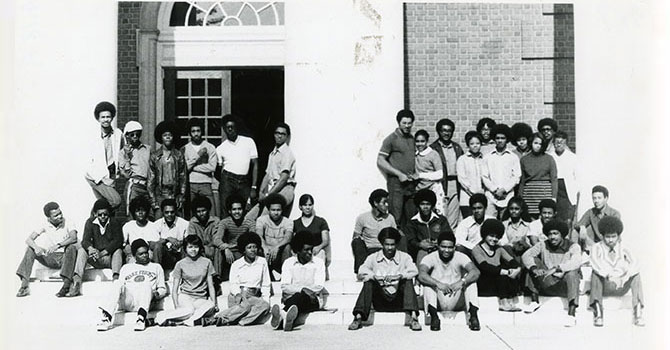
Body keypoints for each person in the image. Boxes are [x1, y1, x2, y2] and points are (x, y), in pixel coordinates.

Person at [348, 227, 421, 331]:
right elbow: (361, 270)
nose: (390, 248)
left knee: (407, 281)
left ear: (396, 244)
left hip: (399, 301)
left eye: (392, 244)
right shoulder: (373, 257)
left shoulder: (405, 257)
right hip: (381, 300)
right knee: (369, 282)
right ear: (382, 244)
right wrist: (374, 276)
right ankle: (358, 318)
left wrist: (400, 276)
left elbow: (414, 270)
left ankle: (414, 318)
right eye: (387, 244)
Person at [96, 239, 168, 332]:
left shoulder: (156, 267)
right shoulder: (126, 268)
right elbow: (120, 288)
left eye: (146, 253)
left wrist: (157, 294)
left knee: (146, 283)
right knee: (117, 282)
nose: (145, 256)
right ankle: (106, 318)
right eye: (141, 254)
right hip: (129, 301)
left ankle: (141, 319)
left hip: (146, 301)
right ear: (134, 256)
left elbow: (162, 288)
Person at [522, 220, 582, 327]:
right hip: (548, 282)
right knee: (532, 263)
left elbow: (576, 261)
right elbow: (526, 255)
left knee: (573, 273)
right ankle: (534, 300)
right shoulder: (543, 244)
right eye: (549, 234)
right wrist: (534, 268)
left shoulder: (573, 246)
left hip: (565, 285)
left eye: (555, 233)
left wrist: (558, 268)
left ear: (562, 234)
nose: (552, 237)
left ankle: (571, 313)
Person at [418, 231, 481, 332]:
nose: (446, 250)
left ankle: (473, 316)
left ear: (454, 247)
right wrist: (438, 283)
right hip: (438, 299)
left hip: (456, 297)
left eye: (450, 247)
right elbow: (421, 275)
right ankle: (434, 318)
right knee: (427, 284)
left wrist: (461, 282)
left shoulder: (460, 256)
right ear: (438, 246)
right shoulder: (430, 257)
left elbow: (475, 272)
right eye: (443, 247)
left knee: (471, 281)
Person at [203, 232, 271, 327]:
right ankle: (218, 318)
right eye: (249, 247)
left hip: (254, 296)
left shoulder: (262, 262)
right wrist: (238, 294)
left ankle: (234, 320)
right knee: (246, 307)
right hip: (239, 295)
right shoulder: (237, 264)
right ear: (244, 250)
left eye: (254, 247)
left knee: (265, 306)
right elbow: (234, 283)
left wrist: (265, 299)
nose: (253, 250)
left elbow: (266, 283)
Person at [589, 217, 644, 327]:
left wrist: (625, 277)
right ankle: (598, 314)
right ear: (602, 236)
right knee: (595, 274)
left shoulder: (624, 247)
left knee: (636, 275)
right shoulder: (597, 247)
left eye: (613, 236)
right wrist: (609, 276)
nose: (610, 240)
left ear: (618, 236)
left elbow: (635, 262)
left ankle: (638, 313)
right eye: (607, 237)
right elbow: (595, 263)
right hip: (604, 285)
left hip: (621, 285)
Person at [15, 202, 78, 298]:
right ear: (49, 218)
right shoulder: (44, 224)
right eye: (56, 215)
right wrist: (37, 248)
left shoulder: (69, 221)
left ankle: (66, 286)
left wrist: (58, 245)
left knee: (71, 247)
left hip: (65, 258)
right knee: (30, 249)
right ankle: (24, 286)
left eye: (60, 213)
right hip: (51, 257)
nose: (60, 216)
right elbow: (28, 239)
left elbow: (74, 238)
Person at [155, 235, 217, 326]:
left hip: (200, 298)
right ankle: (161, 316)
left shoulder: (207, 262)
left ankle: (189, 320)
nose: (193, 250)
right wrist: (176, 305)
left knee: (210, 305)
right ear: (185, 248)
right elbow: (175, 289)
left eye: (196, 247)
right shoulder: (180, 264)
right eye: (190, 247)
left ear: (200, 248)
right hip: (185, 297)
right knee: (189, 310)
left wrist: (214, 303)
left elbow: (211, 286)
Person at [271, 231, 327, 332]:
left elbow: (318, 287)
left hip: (313, 300)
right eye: (306, 250)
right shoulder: (288, 263)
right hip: (292, 299)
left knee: (300, 296)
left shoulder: (319, 263)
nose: (310, 252)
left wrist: (301, 291)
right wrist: (303, 289)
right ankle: (286, 319)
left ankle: (282, 314)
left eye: (311, 249)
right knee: (299, 296)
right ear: (298, 251)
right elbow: (284, 286)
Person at [74, 199, 125, 296]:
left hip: (109, 258)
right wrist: (91, 249)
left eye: (105, 214)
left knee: (118, 251)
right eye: (100, 214)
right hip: (96, 258)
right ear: (95, 214)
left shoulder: (114, 222)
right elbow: (85, 240)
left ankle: (115, 279)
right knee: (81, 250)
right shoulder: (90, 222)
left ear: (109, 213)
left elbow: (118, 241)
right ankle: (77, 281)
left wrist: (102, 253)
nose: (103, 217)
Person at [471, 219, 523, 312]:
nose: (494, 239)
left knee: (507, 271)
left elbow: (512, 261)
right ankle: (503, 303)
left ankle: (511, 299)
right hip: (484, 282)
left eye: (497, 237)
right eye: (491, 236)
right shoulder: (476, 249)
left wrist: (517, 269)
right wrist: (505, 272)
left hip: (497, 282)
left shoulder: (499, 249)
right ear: (484, 234)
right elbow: (485, 267)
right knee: (502, 273)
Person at [377, 109, 418, 228]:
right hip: (396, 185)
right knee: (396, 217)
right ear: (398, 123)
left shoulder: (411, 138)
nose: (407, 126)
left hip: (410, 184)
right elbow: (380, 161)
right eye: (404, 123)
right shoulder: (391, 139)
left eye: (409, 123)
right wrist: (398, 174)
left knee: (411, 217)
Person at [249, 122, 296, 219]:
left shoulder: (287, 153)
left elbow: (283, 179)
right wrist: (261, 192)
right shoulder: (272, 153)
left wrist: (268, 195)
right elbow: (267, 175)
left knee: (264, 217)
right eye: (277, 133)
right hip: (273, 189)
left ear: (287, 136)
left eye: (283, 134)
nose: (279, 136)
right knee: (249, 218)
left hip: (285, 188)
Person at [215, 114, 259, 217]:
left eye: (232, 127)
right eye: (227, 128)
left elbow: (255, 165)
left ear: (237, 127)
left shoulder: (248, 142)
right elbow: (218, 171)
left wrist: (254, 187)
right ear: (224, 129)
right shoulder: (221, 148)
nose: (230, 130)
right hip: (227, 180)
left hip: (244, 181)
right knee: (226, 210)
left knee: (246, 210)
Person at [85, 101, 123, 211]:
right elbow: (88, 162)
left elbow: (121, 154)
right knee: (116, 201)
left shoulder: (118, 134)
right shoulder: (92, 136)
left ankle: (99, 225)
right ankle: (94, 218)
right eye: (103, 117)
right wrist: (102, 179)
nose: (106, 119)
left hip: (111, 175)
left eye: (108, 117)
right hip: (96, 176)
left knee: (107, 204)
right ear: (98, 118)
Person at [429, 118, 465, 228]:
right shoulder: (433, 148)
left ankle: (450, 238)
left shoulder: (457, 147)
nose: (446, 133)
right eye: (443, 130)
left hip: (454, 184)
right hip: (439, 184)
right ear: (439, 131)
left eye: (449, 130)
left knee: (453, 216)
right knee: (439, 214)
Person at [351, 189, 397, 273]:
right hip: (369, 250)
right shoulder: (363, 218)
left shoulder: (390, 218)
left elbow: (395, 237)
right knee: (356, 241)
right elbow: (355, 237)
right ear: (375, 203)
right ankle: (361, 271)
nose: (387, 205)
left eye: (388, 202)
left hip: (385, 250)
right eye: (384, 202)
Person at [148, 120, 187, 219]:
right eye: (165, 135)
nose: (168, 137)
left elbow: (183, 177)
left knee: (178, 223)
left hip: (175, 195)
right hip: (160, 195)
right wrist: (153, 199)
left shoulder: (178, 155)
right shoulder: (155, 156)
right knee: (159, 223)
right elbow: (150, 179)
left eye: (170, 135)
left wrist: (182, 195)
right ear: (161, 137)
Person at [481, 123, 521, 219]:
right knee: (489, 222)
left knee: (506, 223)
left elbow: (516, 177)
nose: (500, 141)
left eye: (502, 138)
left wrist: (504, 190)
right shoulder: (488, 157)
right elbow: (484, 176)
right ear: (494, 139)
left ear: (507, 139)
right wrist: (495, 190)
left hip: (507, 197)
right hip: (491, 196)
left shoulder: (513, 157)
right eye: (497, 138)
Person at [213, 194, 256, 281]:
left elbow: (252, 239)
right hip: (229, 251)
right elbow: (216, 239)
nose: (237, 212)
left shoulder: (249, 222)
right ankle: (216, 279)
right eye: (234, 209)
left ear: (243, 210)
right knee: (217, 250)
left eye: (239, 209)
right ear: (229, 211)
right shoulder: (224, 222)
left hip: (243, 250)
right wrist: (225, 248)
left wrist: (230, 246)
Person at [404, 189, 451, 264]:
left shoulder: (441, 220)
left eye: (428, 204)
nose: (425, 207)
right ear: (418, 206)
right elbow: (410, 240)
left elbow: (448, 235)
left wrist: (439, 241)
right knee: (422, 253)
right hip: (422, 251)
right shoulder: (412, 222)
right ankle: (421, 274)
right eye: (422, 204)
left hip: (439, 250)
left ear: (432, 205)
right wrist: (419, 244)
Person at [182, 118, 217, 217]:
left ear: (202, 131)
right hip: (190, 184)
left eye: (198, 131)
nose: (196, 134)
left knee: (210, 212)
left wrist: (192, 166)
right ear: (189, 133)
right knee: (192, 212)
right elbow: (184, 169)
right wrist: (198, 155)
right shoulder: (185, 149)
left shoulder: (210, 147)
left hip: (206, 183)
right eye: (193, 131)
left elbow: (212, 167)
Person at [519, 132, 558, 219]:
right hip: (529, 196)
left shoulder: (549, 159)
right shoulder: (524, 160)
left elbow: (554, 179)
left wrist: (553, 197)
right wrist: (520, 198)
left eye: (540, 144)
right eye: (535, 143)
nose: (537, 146)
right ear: (531, 143)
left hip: (545, 194)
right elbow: (522, 181)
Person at [293, 194, 331, 279]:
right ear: (300, 207)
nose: (308, 207)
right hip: (302, 253)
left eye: (310, 205)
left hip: (315, 251)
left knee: (321, 254)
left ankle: (320, 278)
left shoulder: (321, 221)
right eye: (305, 205)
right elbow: (293, 240)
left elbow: (325, 240)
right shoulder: (295, 223)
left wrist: (318, 247)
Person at [256, 193, 294, 278]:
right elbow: (258, 235)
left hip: (279, 252)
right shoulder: (261, 220)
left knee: (287, 247)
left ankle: (286, 277)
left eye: (278, 210)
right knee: (258, 248)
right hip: (266, 252)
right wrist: (265, 247)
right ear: (268, 210)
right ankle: (264, 276)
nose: (276, 213)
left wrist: (276, 247)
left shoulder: (288, 221)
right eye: (273, 210)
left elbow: (288, 237)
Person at [574, 185, 621, 251]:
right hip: (596, 246)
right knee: (576, 234)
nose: (596, 201)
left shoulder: (614, 214)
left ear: (606, 198)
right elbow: (577, 225)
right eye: (594, 198)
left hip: (611, 246)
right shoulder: (591, 212)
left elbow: (611, 236)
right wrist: (582, 227)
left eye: (599, 198)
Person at [118, 120, 151, 216]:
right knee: (132, 214)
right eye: (132, 135)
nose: (135, 137)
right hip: (134, 186)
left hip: (147, 186)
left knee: (148, 214)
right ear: (127, 136)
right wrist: (128, 156)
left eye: (137, 134)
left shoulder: (147, 149)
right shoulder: (122, 153)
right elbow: (126, 174)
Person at [187, 196, 222, 285]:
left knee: (218, 249)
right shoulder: (193, 222)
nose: (201, 214)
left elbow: (216, 238)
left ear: (208, 210)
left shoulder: (215, 220)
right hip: (200, 249)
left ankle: (216, 277)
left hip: (213, 249)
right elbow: (192, 239)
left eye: (203, 210)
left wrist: (209, 247)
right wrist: (204, 248)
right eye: (198, 212)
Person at [414, 129, 445, 216]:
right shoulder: (415, 155)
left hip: (434, 188)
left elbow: (440, 174)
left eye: (422, 141)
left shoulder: (433, 154)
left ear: (427, 141)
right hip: (421, 189)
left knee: (438, 214)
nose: (420, 144)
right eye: (417, 141)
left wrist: (420, 175)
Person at [551, 131, 578, 226]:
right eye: (556, 142)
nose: (558, 144)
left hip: (567, 192)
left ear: (565, 143)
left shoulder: (573, 158)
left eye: (561, 142)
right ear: (553, 143)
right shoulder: (550, 156)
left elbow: (577, 177)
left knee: (567, 220)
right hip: (554, 190)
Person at [456, 131, 485, 218]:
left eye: (478, 143)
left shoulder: (484, 159)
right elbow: (462, 179)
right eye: (472, 143)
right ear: (468, 145)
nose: (475, 145)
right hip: (467, 198)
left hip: (482, 196)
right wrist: (473, 192)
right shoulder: (462, 159)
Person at [122, 197, 160, 263]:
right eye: (137, 211)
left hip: (148, 255)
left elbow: (155, 245)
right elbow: (124, 244)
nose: (140, 213)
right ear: (133, 212)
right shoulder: (128, 226)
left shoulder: (153, 226)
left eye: (143, 210)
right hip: (133, 255)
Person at [154, 198, 189, 270]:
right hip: (165, 255)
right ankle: (158, 272)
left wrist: (179, 243)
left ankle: (186, 273)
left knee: (186, 247)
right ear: (162, 212)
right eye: (166, 212)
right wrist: (168, 239)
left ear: (175, 211)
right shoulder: (157, 224)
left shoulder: (185, 223)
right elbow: (153, 244)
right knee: (158, 246)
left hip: (179, 254)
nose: (169, 215)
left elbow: (189, 240)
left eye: (172, 212)